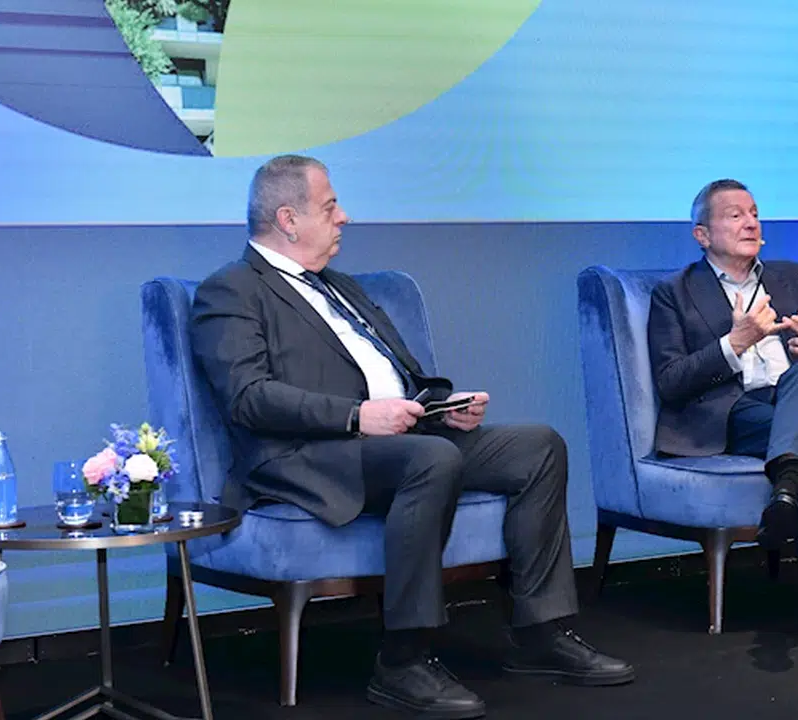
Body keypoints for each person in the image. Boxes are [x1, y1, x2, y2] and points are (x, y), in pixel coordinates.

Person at [190, 154, 633, 718]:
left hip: (399, 438)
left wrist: (441, 407)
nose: (344, 217)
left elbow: (400, 374)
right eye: (330, 206)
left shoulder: (341, 287)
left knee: (537, 447)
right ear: (288, 219)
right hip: (307, 454)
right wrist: (357, 417)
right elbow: (247, 397)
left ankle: (539, 635)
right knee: (430, 460)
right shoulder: (230, 291)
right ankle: (403, 659)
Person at [646, 178, 798, 647]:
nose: (751, 223)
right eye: (735, 215)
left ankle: (786, 491)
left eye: (755, 213)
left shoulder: (795, 279)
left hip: (797, 401)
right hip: (734, 413)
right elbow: (671, 382)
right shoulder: (674, 292)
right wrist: (734, 344)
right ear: (702, 235)